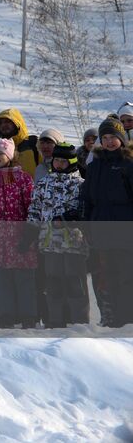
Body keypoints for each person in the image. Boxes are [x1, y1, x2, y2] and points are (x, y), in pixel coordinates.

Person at [0, 137, 37, 328]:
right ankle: (6, 314)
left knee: (23, 278)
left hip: (19, 235)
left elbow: (31, 206)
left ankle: (28, 315)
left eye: (0, 153)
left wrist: (30, 231)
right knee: (1, 278)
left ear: (9, 156)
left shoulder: (22, 178)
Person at [27, 143, 88, 327]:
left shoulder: (80, 184)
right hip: (49, 241)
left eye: (64, 161)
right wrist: (29, 232)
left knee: (74, 282)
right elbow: (35, 209)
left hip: (73, 242)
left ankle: (79, 321)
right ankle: (55, 320)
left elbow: (84, 211)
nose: (60, 164)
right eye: (57, 160)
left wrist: (71, 218)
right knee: (52, 282)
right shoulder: (44, 183)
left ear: (72, 162)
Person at [80, 116, 133, 327]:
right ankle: (112, 318)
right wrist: (86, 224)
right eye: (105, 137)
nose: (110, 141)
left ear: (121, 138)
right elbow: (87, 197)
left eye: (113, 137)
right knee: (106, 277)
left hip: (125, 230)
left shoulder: (128, 164)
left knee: (126, 275)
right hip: (101, 228)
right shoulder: (95, 165)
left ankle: (128, 318)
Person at [0, 108, 40, 177]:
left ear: (17, 123)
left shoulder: (34, 144)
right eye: (0, 123)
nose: (3, 125)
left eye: (7, 122)